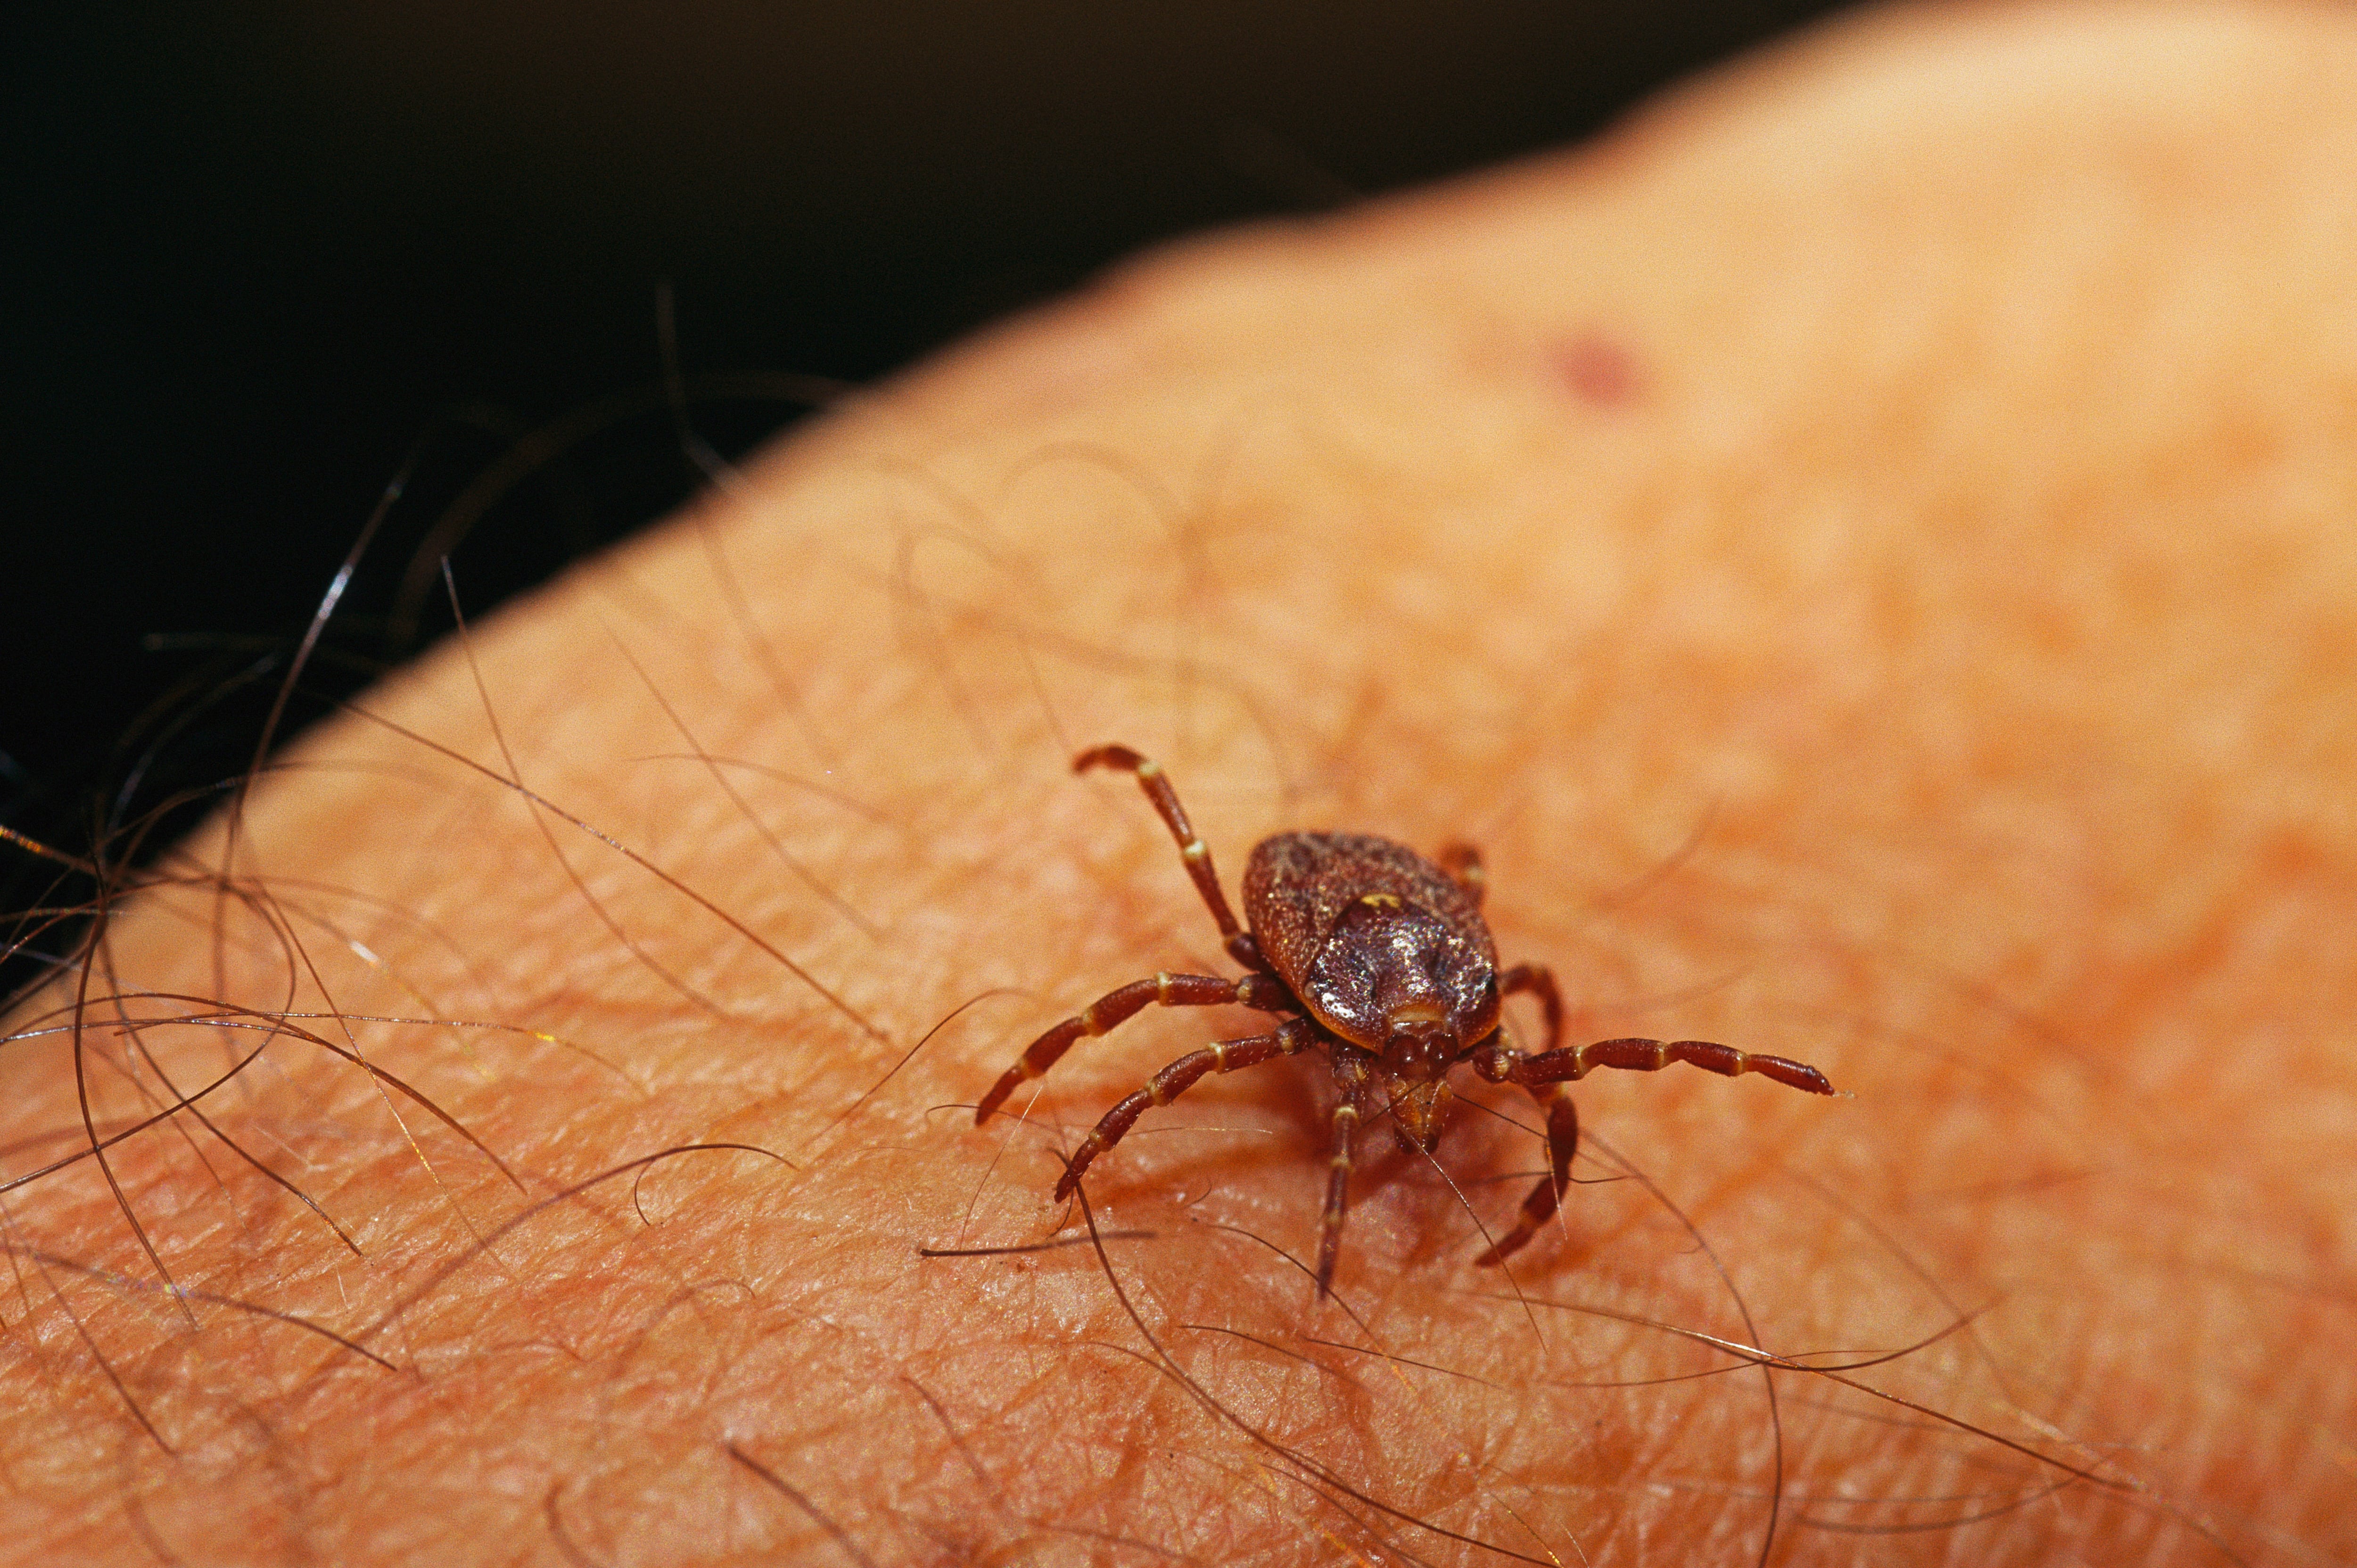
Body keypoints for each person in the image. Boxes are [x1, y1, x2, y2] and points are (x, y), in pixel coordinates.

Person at [6, 4, 2349, 1561]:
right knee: (1170, 1044)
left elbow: (1488, 1011)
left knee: (1503, 1006)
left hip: (1389, 910)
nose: (1433, 1089)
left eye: (1454, 1060)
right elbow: (1242, 1018)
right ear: (1319, 989)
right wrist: (1247, 1148)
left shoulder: (1463, 1008)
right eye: (1416, 1066)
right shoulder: (1292, 1007)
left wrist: (1473, 1114)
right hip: (1341, 906)